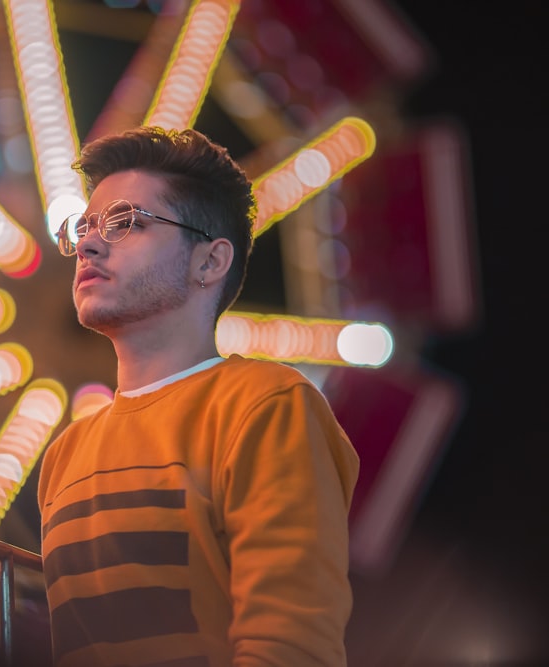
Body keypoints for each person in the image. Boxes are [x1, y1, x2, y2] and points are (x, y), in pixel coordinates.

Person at [37, 126, 360, 667]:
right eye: (84, 227)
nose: (90, 243)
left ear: (209, 262)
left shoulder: (265, 405)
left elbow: (290, 644)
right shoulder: (63, 455)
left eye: (127, 223)